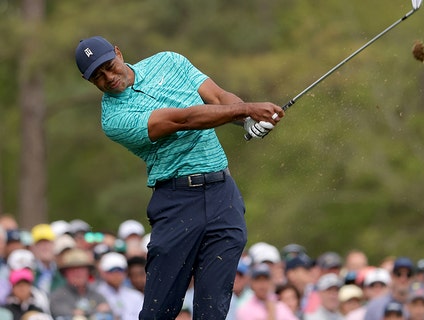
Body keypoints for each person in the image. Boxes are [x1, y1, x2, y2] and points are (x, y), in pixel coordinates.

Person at [74, 35, 284, 319]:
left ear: (119, 52)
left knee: (213, 310)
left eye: (110, 66)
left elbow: (220, 98)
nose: (109, 77)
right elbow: (182, 120)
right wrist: (247, 109)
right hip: (176, 203)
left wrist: (246, 120)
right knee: (159, 311)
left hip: (224, 196)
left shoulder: (169, 62)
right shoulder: (114, 119)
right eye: (98, 77)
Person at [49, 248, 112, 319]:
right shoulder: (58, 297)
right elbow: (62, 314)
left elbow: (109, 313)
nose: (77, 273)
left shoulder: (98, 296)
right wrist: (96, 311)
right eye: (73, 269)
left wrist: (79, 313)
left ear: (88, 271)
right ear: (65, 273)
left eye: (81, 269)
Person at [95, 252, 144, 320]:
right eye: (112, 270)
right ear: (102, 272)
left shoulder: (136, 296)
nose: (117, 275)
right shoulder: (96, 294)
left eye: (120, 270)